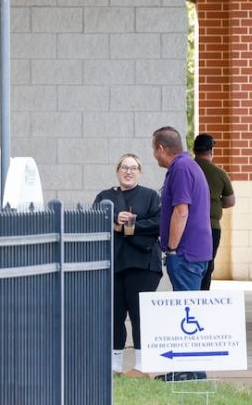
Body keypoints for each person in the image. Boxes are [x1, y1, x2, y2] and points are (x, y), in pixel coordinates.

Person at [151, 126, 212, 382]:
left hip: (186, 253)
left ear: (162, 149)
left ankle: (190, 371)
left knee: (186, 311)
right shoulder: (186, 166)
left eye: (154, 149)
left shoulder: (181, 169)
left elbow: (181, 211)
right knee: (188, 310)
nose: (154, 155)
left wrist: (173, 248)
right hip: (191, 252)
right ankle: (190, 369)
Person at [94, 154, 162, 379]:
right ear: (117, 170)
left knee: (139, 315)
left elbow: (158, 223)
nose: (128, 171)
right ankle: (114, 366)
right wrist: (114, 219)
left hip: (143, 265)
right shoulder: (105, 196)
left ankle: (141, 366)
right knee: (114, 316)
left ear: (140, 172)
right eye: (124, 167)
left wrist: (128, 227)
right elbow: (95, 218)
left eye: (133, 168)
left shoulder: (150, 196)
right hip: (114, 263)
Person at [193, 133, 236, 291]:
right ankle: (203, 298)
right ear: (212, 150)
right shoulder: (219, 173)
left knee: (189, 265)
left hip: (188, 225)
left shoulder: (187, 169)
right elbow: (230, 201)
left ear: (194, 149)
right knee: (207, 265)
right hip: (211, 227)